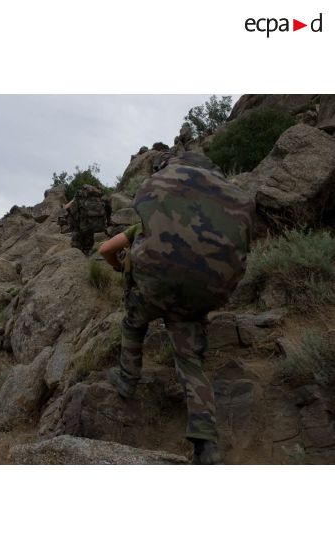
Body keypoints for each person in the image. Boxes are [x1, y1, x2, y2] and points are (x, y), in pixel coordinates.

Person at [99, 151, 255, 465]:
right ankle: (205, 443)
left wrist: (122, 269)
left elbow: (106, 250)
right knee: (188, 359)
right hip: (200, 294)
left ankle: (128, 378)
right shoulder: (226, 202)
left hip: (153, 288)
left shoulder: (149, 219)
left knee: (133, 322)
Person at [63, 184, 110, 255]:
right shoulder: (99, 199)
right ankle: (88, 255)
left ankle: (79, 259)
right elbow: (108, 211)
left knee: (77, 249)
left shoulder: (79, 197)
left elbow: (67, 208)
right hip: (91, 226)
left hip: (79, 228)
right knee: (88, 246)